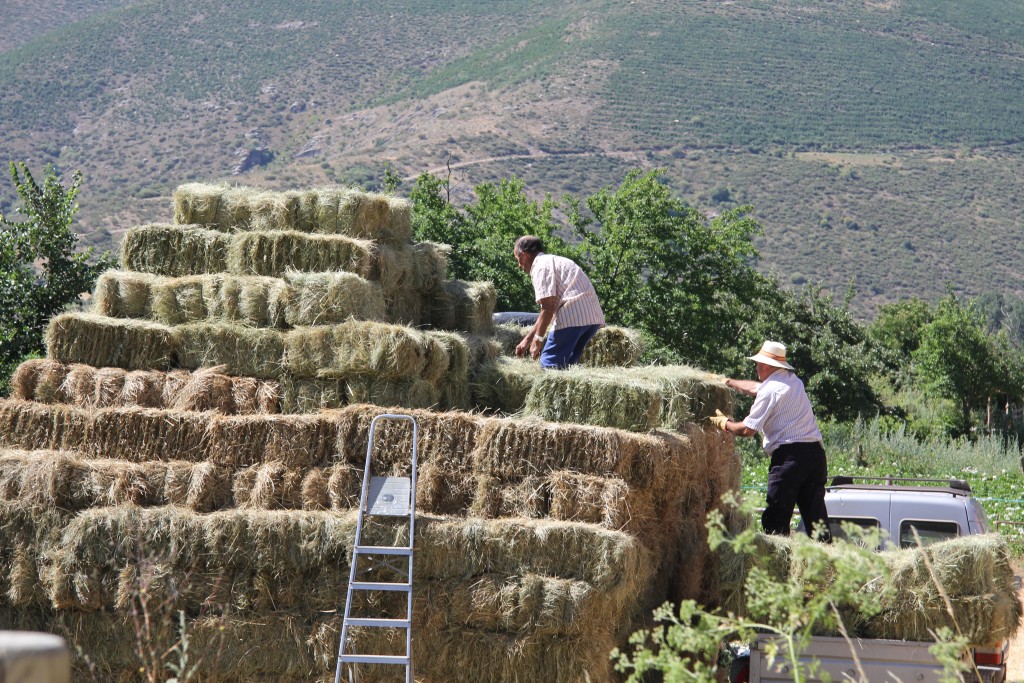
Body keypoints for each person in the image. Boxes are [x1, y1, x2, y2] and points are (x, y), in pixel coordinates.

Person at [709, 341, 832, 541]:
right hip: (815, 457)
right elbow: (757, 388)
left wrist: (724, 423)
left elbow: (747, 430)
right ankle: (828, 566)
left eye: (758, 364)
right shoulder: (793, 382)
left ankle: (777, 567)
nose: (756, 367)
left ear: (766, 365)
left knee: (776, 519)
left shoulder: (770, 391)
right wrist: (728, 381)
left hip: (790, 459)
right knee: (816, 521)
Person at [512, 235, 605, 369]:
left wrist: (537, 340)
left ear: (523, 255)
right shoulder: (554, 261)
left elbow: (548, 308)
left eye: (518, 260)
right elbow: (545, 311)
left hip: (573, 315)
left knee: (549, 365)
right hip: (591, 318)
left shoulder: (540, 267)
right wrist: (528, 339)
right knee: (566, 368)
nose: (519, 266)